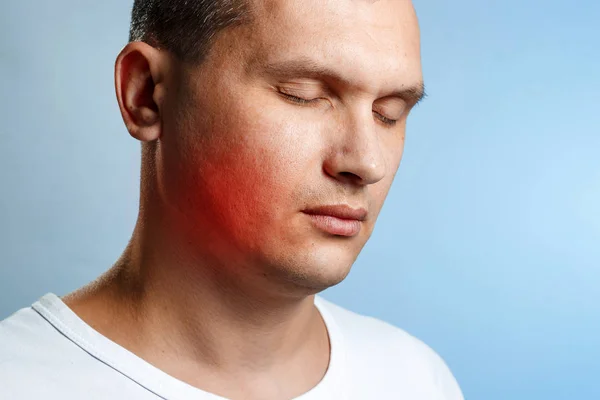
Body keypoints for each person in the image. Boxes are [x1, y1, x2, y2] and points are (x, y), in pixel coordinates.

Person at [0, 0, 464, 399]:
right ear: (146, 94)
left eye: (389, 114)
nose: (365, 162)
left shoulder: (416, 379)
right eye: (301, 95)